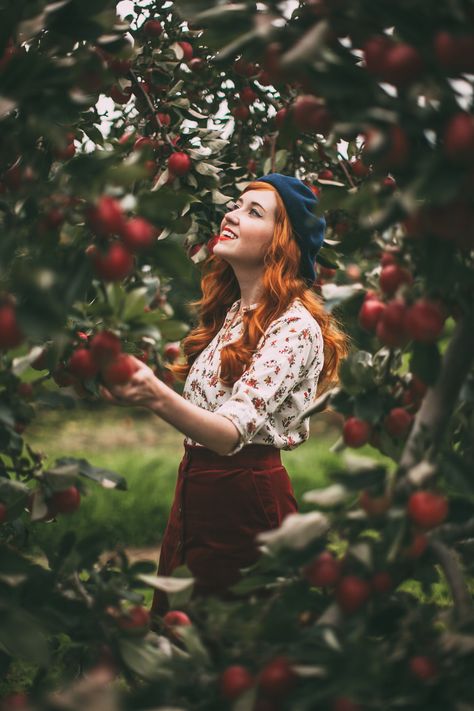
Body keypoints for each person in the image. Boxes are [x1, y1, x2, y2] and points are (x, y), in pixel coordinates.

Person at [99, 173, 348, 614]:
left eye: (254, 212)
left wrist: (152, 394)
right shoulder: (236, 313)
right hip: (197, 489)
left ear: (281, 243)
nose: (231, 214)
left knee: (232, 642)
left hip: (245, 501)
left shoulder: (294, 327)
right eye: (236, 204)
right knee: (182, 634)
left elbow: (231, 433)